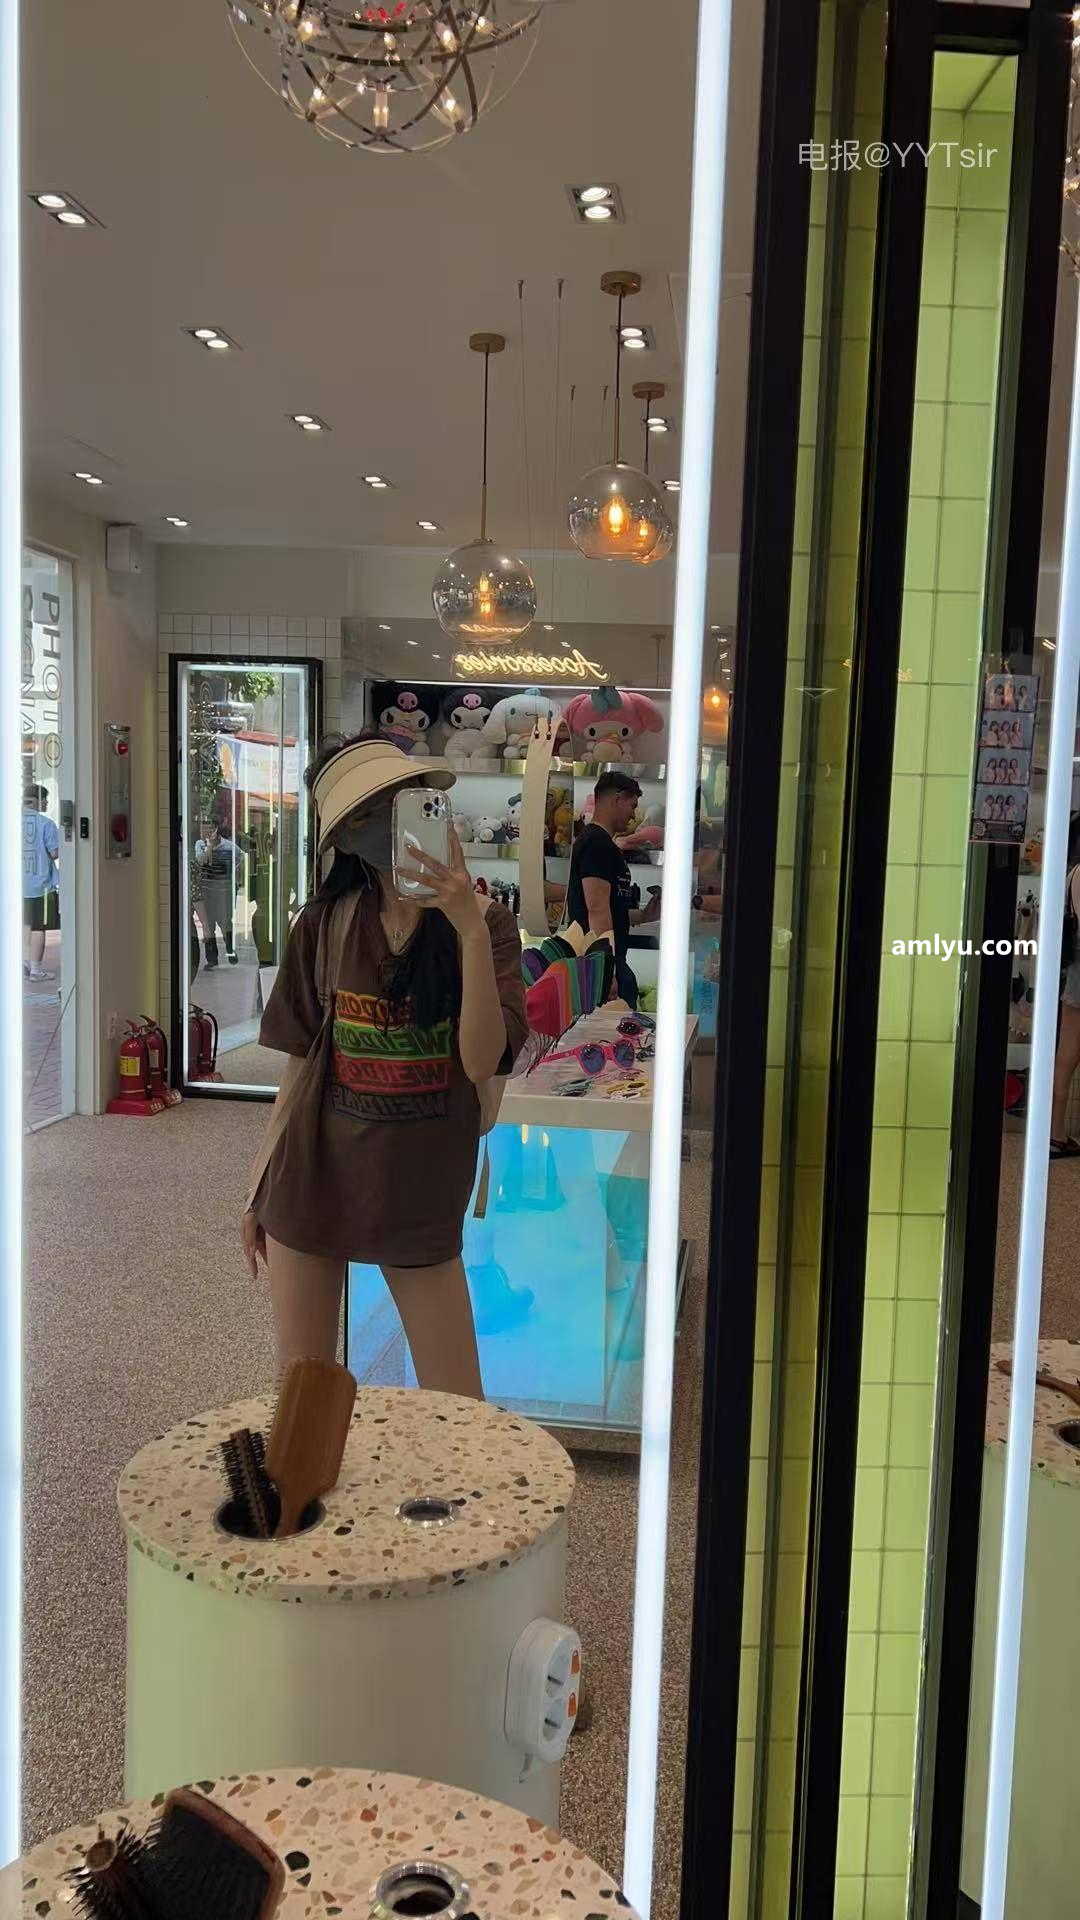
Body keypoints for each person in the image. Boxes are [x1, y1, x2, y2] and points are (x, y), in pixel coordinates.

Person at [241, 731, 527, 1391]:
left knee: (457, 1410)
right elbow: (298, 1072)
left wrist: (467, 927)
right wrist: (257, 1187)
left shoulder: (486, 925)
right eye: (362, 816)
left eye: (398, 801)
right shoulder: (324, 925)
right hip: (311, 1182)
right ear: (342, 838)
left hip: (419, 1191)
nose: (382, 825)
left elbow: (480, 1062)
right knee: (305, 1401)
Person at [566, 771, 660, 1009]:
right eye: (632, 805)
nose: (634, 815)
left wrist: (644, 915)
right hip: (598, 965)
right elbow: (596, 910)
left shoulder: (602, 843)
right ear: (617, 799)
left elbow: (608, 908)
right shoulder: (597, 844)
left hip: (603, 961)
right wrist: (607, 972)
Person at [1050, 812, 1080, 1159]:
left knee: (1067, 1054)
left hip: (1075, 970)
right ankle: (1055, 1133)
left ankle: (1056, 1133)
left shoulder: (1072, 872)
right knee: (1068, 1055)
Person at [22, 783, 59, 981]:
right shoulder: (46, 824)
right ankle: (36, 970)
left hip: (19, 886)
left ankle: (25, 963)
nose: (46, 803)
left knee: (25, 924)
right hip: (42, 887)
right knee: (39, 927)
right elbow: (54, 853)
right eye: (44, 799)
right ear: (36, 800)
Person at [194, 821, 244, 968]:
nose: (203, 831)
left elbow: (241, 856)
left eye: (207, 828)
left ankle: (230, 950)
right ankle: (212, 959)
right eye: (202, 828)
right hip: (207, 891)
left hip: (225, 892)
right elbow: (201, 861)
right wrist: (209, 846)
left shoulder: (229, 846)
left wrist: (237, 873)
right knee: (209, 924)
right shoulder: (200, 844)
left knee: (225, 922)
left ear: (215, 829)